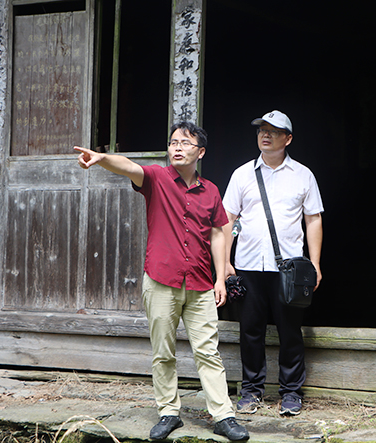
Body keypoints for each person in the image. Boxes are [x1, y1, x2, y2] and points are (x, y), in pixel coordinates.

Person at [74, 121, 249, 441]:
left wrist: (221, 276)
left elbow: (218, 234)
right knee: (163, 352)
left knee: (208, 352)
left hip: (200, 283)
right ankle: (169, 412)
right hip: (160, 280)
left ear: (201, 152)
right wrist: (102, 159)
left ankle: (223, 416)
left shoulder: (211, 191)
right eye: (173, 143)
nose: (177, 148)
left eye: (185, 143)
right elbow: (129, 167)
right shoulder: (156, 178)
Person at [222, 110, 323, 416]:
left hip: (289, 268)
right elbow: (228, 219)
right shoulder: (242, 174)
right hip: (248, 265)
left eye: (273, 131)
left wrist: (315, 264)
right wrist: (225, 261)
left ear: (288, 139)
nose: (265, 135)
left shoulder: (303, 175)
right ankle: (251, 390)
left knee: (290, 330)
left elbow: (313, 220)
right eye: (261, 130)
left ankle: (291, 392)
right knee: (250, 330)